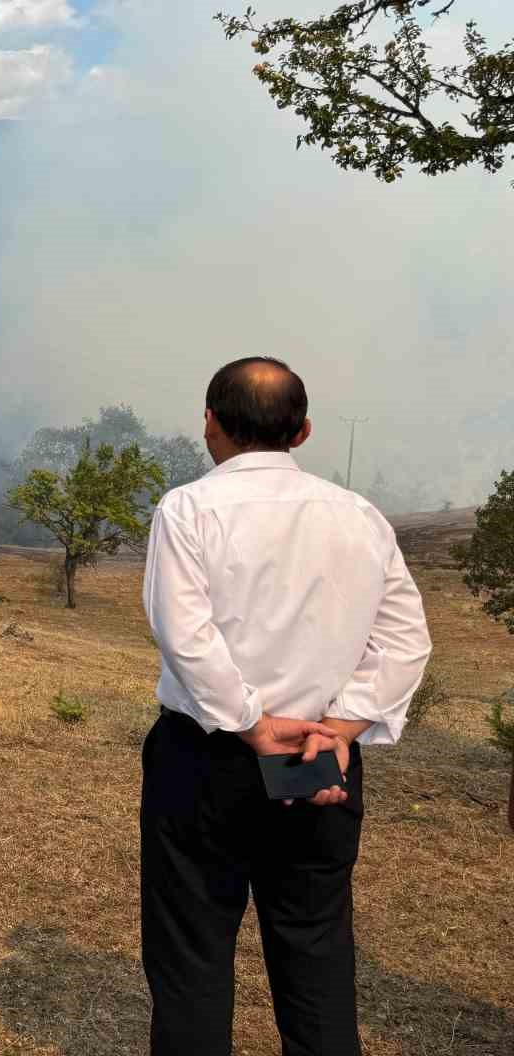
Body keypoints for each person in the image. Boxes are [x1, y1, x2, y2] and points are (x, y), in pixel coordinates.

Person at [140, 357, 432, 1056]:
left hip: (209, 758)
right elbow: (405, 639)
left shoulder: (188, 510)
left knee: (192, 959)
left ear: (209, 422)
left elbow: (186, 634)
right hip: (320, 759)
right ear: (302, 432)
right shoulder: (360, 517)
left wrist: (249, 723)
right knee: (316, 953)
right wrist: (342, 725)